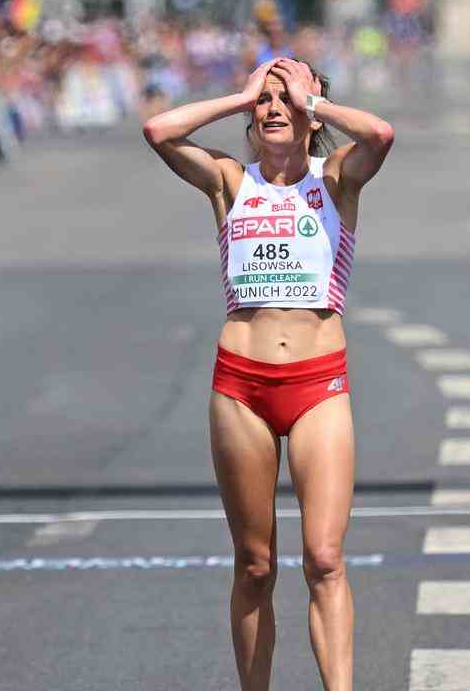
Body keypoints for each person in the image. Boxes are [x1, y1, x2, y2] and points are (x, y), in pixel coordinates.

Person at [142, 58, 393, 690]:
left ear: (310, 114)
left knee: (325, 559)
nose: (274, 108)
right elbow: (159, 132)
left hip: (318, 385)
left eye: (287, 99)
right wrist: (240, 95)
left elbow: (381, 136)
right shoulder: (230, 180)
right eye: (266, 101)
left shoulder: (337, 181)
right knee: (255, 566)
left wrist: (315, 102)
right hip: (241, 388)